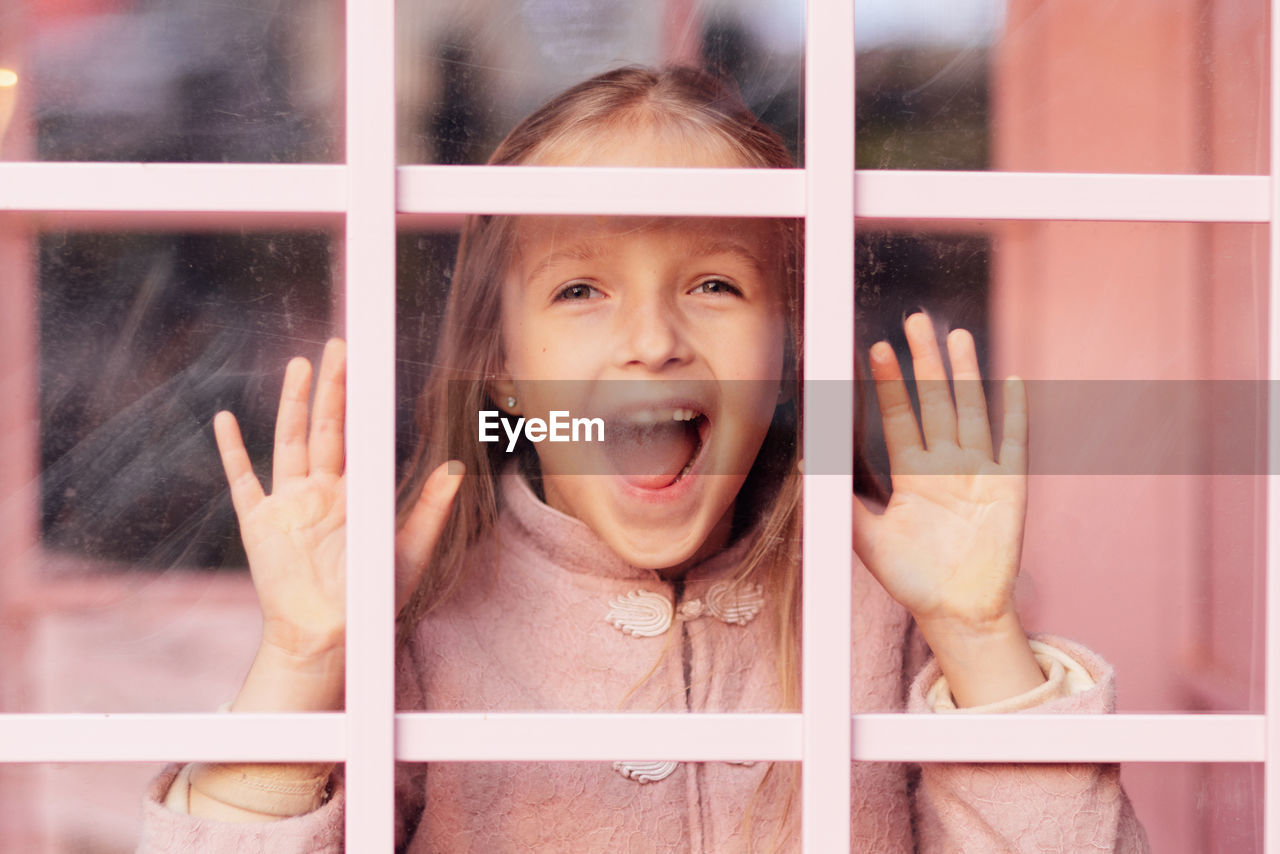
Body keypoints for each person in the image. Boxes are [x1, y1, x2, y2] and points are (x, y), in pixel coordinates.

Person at [139, 66, 1149, 852]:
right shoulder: (419, 620)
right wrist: (304, 662)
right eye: (580, 289)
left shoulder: (888, 609)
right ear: (502, 370)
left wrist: (976, 634)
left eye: (714, 282)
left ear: (784, 349)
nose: (652, 340)